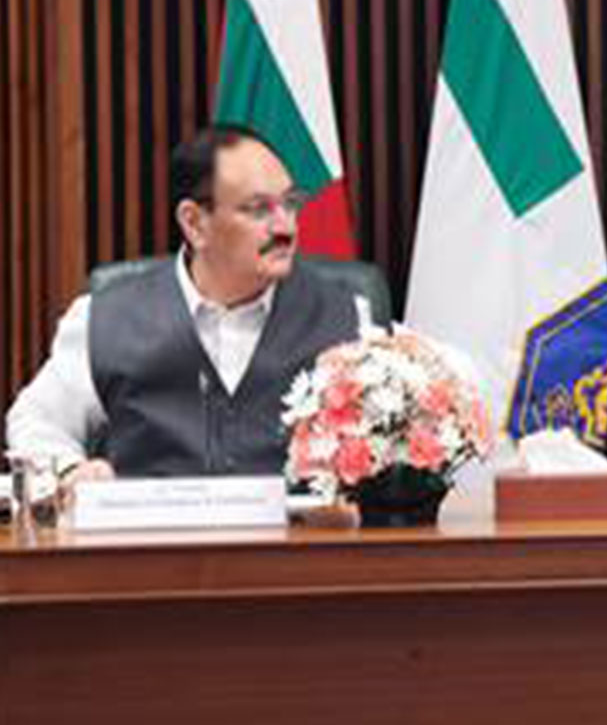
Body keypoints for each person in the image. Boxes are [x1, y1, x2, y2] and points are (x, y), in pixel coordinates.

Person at [6, 125, 370, 483]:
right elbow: (35, 422)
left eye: (290, 204)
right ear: (195, 223)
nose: (285, 228)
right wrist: (71, 473)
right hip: (150, 539)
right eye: (259, 210)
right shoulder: (103, 319)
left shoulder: (347, 319)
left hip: (298, 540)